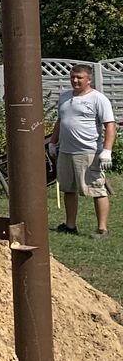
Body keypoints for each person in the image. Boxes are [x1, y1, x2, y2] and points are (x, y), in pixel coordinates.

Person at [47, 64, 116, 238]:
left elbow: (110, 126)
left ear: (89, 79)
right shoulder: (64, 97)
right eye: (72, 77)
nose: (75, 80)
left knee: (97, 189)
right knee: (68, 189)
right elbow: (60, 121)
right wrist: (53, 143)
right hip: (66, 152)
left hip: (89, 152)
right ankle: (70, 225)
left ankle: (102, 229)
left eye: (79, 78)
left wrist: (107, 150)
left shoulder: (98, 99)